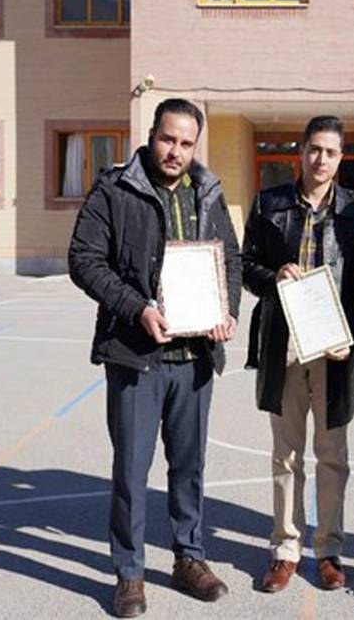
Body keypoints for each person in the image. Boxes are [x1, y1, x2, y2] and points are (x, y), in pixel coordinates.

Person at [68, 98, 242, 618]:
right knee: (131, 469)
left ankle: (189, 558)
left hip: (195, 358)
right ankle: (130, 572)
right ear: (151, 135)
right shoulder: (115, 189)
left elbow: (229, 260)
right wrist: (136, 308)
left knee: (189, 466)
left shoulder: (207, 191)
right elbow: (84, 259)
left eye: (186, 143)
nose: (176, 151)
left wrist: (226, 310)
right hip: (136, 355)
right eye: (168, 139)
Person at [241, 116, 354, 593]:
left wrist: (353, 339)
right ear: (300, 152)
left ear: (341, 158)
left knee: (332, 453)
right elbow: (245, 265)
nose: (321, 159)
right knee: (286, 453)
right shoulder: (269, 203)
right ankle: (285, 549)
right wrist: (272, 277)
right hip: (284, 341)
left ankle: (329, 549)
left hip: (335, 345)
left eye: (331, 152)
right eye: (314, 149)